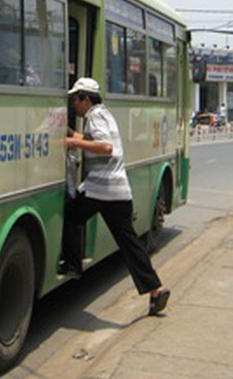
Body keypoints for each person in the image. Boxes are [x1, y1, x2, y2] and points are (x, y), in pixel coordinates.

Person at [61, 77, 171, 316]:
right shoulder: (105, 114)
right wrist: (68, 132)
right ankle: (156, 290)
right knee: (130, 244)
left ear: (86, 99)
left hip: (100, 190)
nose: (73, 106)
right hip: (119, 192)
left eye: (75, 100)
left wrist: (70, 142)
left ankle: (72, 266)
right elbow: (92, 140)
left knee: (69, 215)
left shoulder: (94, 116)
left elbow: (106, 147)